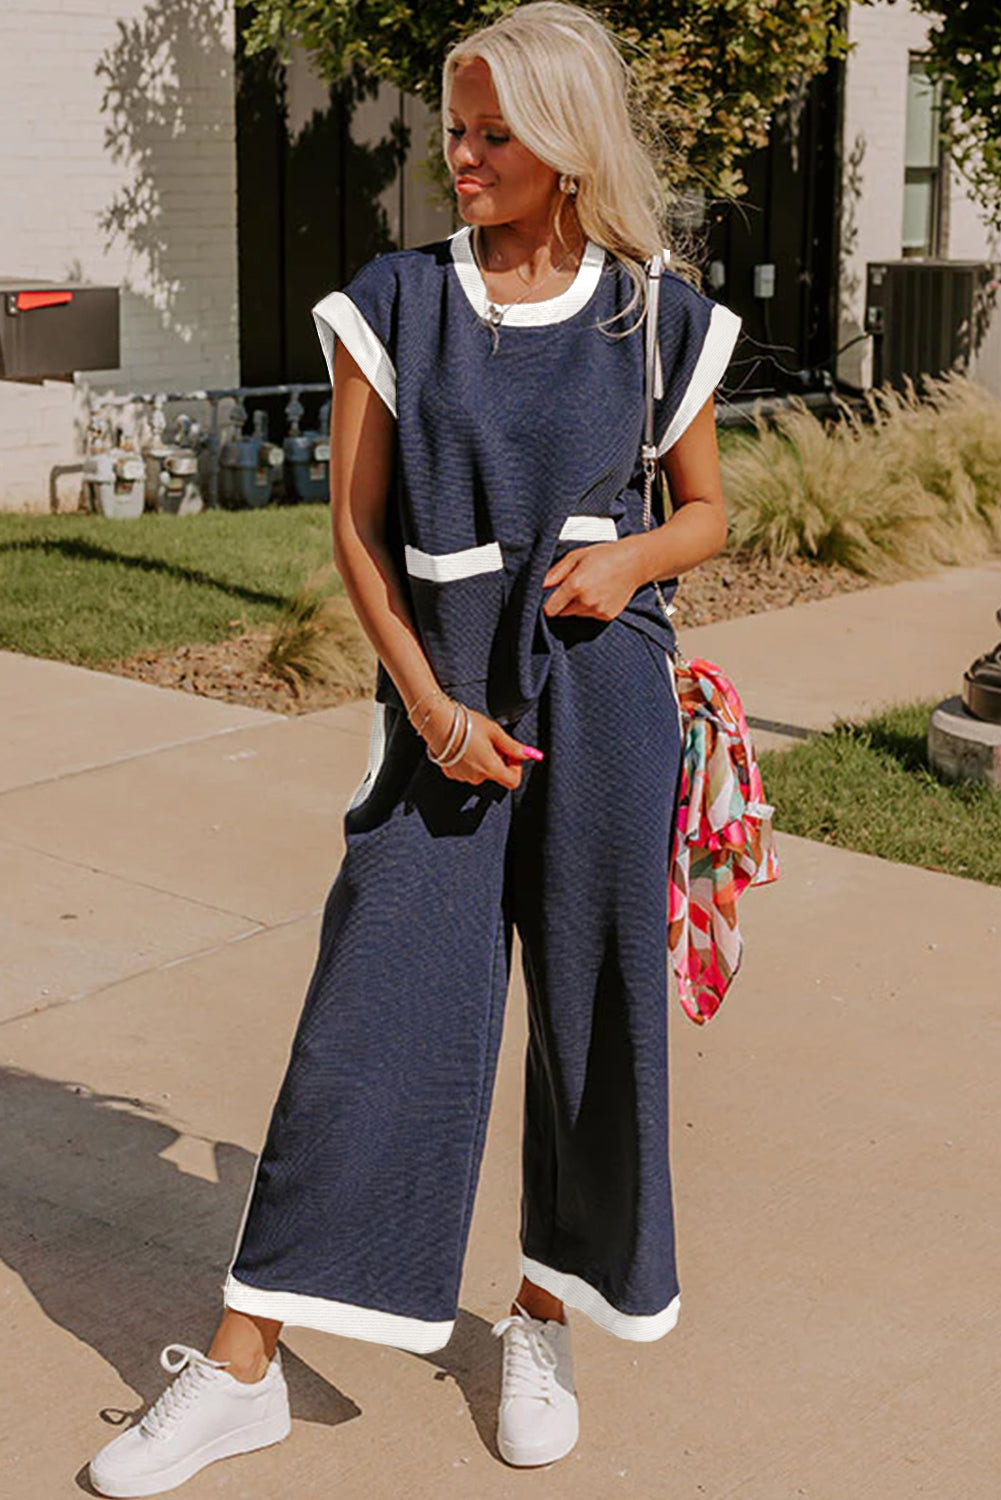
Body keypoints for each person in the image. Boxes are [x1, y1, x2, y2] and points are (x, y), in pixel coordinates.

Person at [88, 2, 742, 1492]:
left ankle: (538, 1314)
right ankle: (246, 1363)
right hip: (443, 712)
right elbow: (357, 533)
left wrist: (632, 565)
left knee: (596, 1022)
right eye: (453, 127)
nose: (457, 156)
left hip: (607, 701)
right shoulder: (395, 300)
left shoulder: (656, 311)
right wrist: (431, 710)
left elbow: (703, 510)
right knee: (365, 1028)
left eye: (490, 133)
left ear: (566, 143)